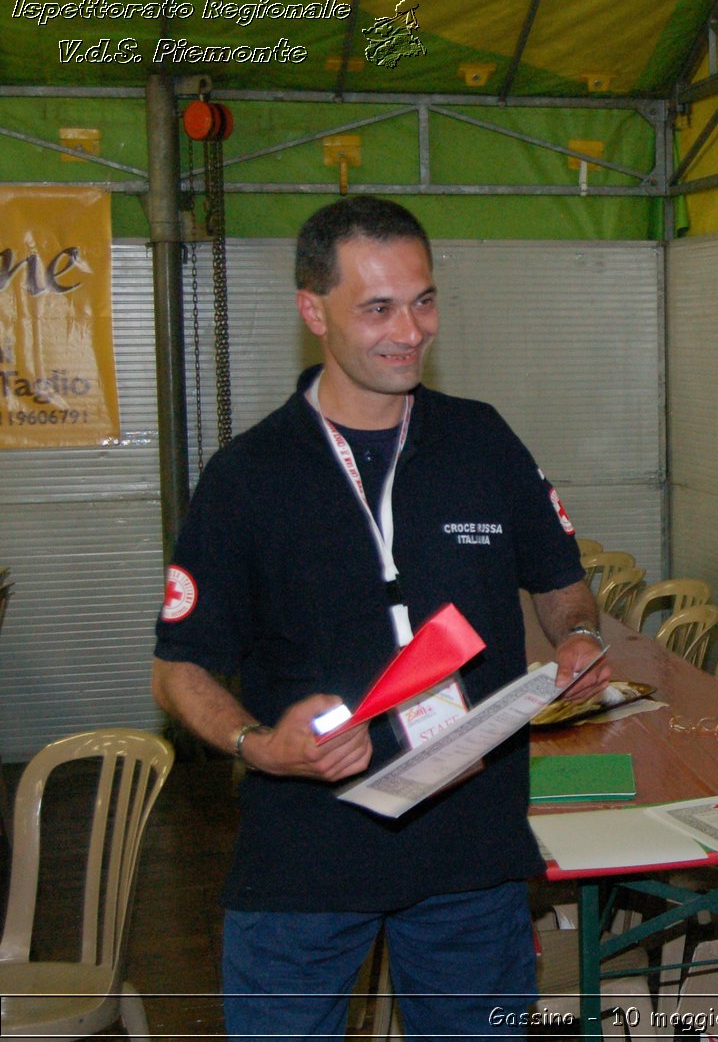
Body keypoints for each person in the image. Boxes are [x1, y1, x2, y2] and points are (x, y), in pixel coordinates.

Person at [151, 196, 613, 1039]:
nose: (411, 329)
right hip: (304, 863)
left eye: (424, 300)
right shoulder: (246, 477)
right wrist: (261, 745)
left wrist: (577, 634)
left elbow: (562, 585)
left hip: (470, 856)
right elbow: (179, 665)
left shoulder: (484, 443)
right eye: (377, 308)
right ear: (311, 309)